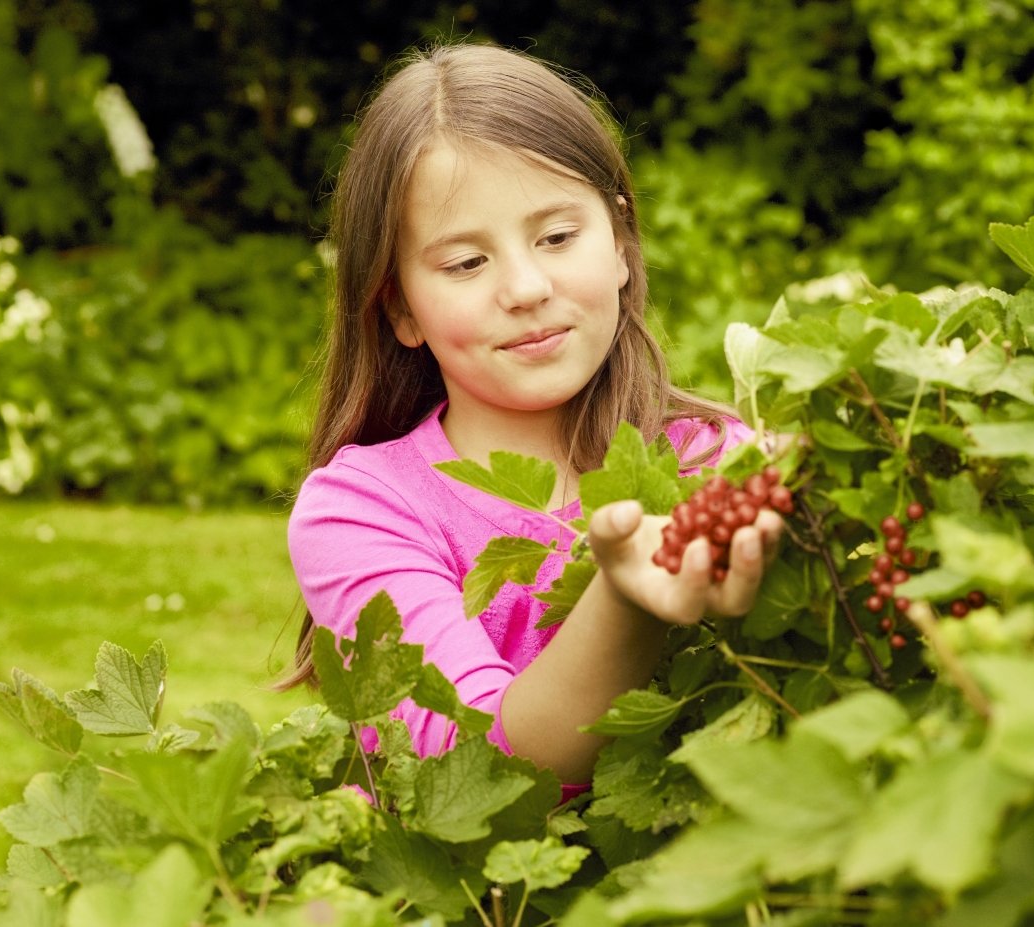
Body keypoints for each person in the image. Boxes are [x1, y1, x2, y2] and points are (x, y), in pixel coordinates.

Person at [282, 43, 785, 789]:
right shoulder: (361, 513)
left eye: (556, 237)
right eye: (465, 263)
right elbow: (483, 775)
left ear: (619, 242)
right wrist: (624, 599)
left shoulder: (718, 464)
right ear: (399, 308)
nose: (524, 286)